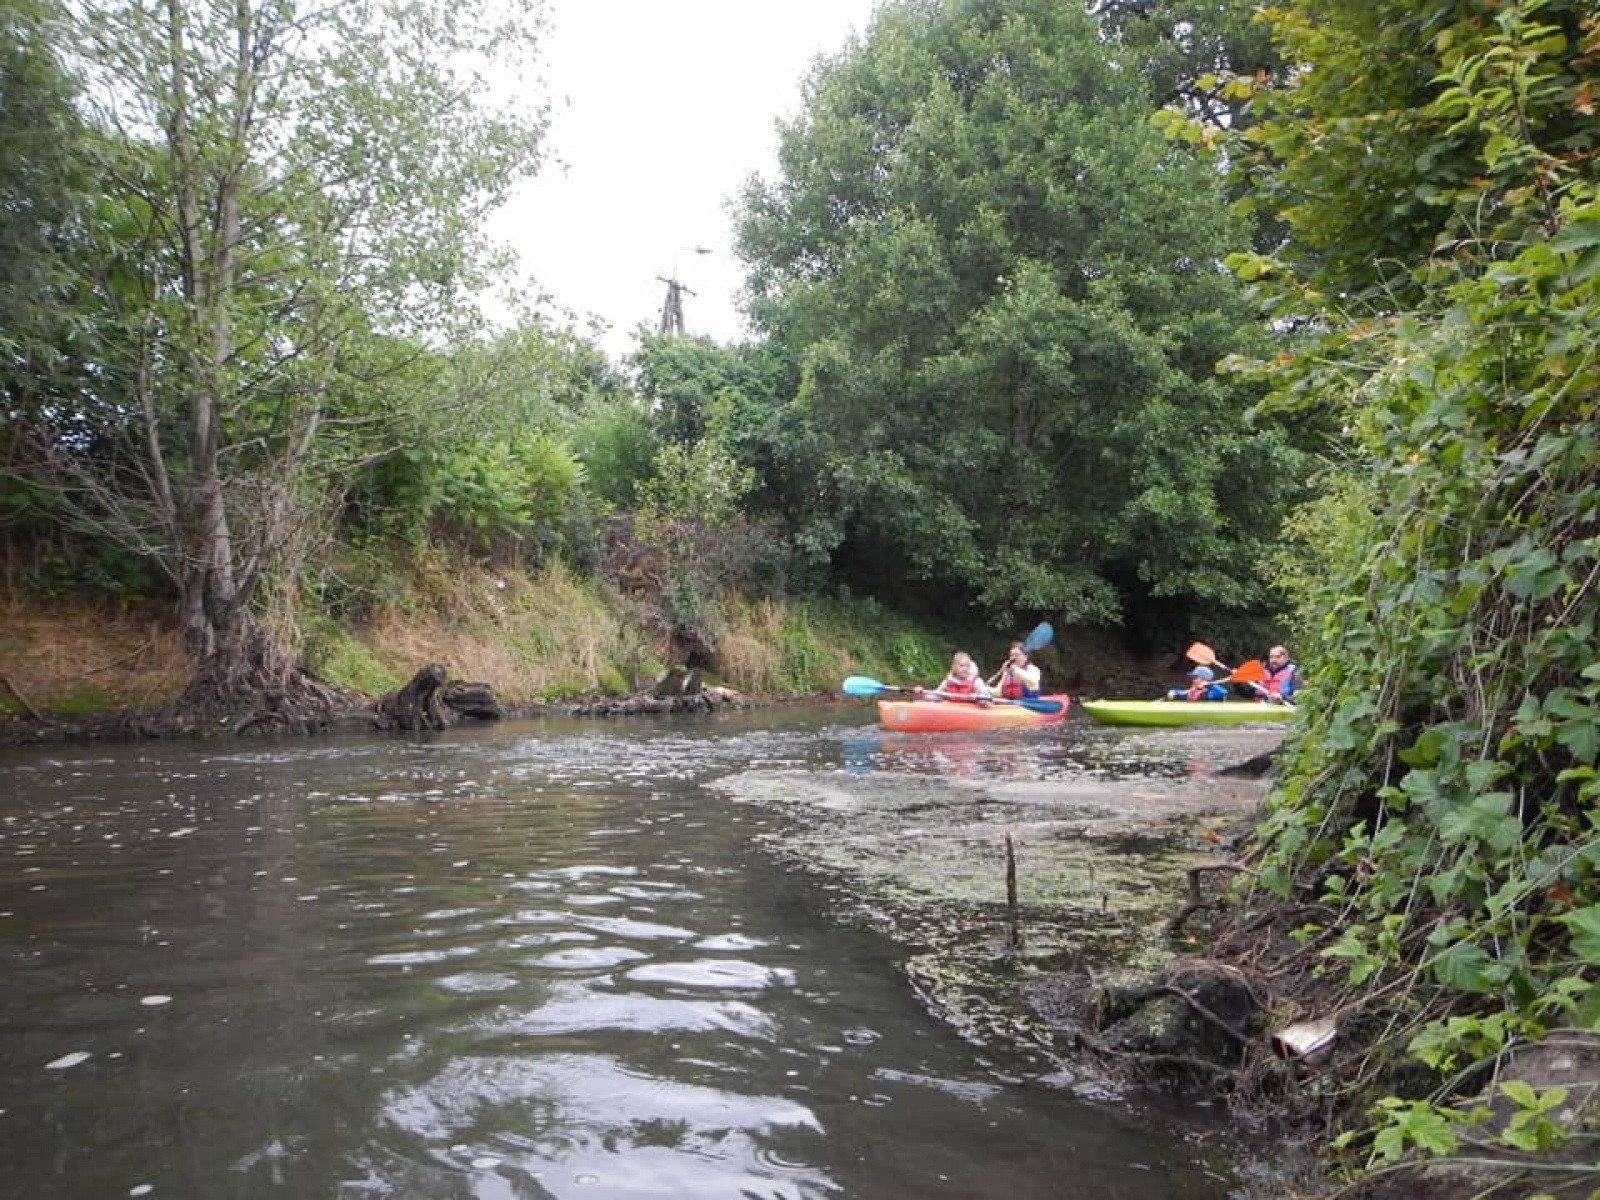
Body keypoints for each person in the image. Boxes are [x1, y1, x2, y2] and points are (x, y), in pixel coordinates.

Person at [916, 652, 992, 702]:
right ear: (954, 667)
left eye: (967, 666)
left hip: (971, 710)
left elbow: (987, 701)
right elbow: (936, 696)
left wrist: (978, 698)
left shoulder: (977, 682)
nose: (965, 669)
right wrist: (922, 693)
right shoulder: (948, 681)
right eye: (962, 666)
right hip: (953, 711)